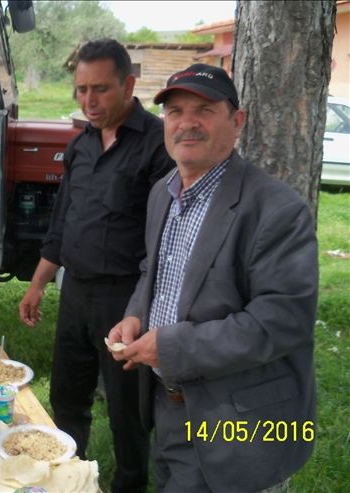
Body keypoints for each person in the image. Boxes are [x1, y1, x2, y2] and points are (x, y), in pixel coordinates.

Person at [108, 64, 317, 493]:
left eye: (204, 110)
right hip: (168, 406)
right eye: (175, 111)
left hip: (238, 422)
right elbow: (154, 271)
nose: (187, 123)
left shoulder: (277, 209)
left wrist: (170, 347)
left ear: (237, 121)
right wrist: (135, 315)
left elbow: (281, 321)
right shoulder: (163, 191)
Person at [18, 39, 175, 493]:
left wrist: (147, 308)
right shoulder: (80, 146)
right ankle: (69, 479)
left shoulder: (156, 145)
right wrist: (38, 284)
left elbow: (166, 236)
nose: (89, 100)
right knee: (67, 397)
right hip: (76, 291)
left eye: (101, 89)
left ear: (128, 85)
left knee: (127, 409)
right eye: (82, 89)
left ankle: (130, 484)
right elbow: (62, 221)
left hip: (126, 299)